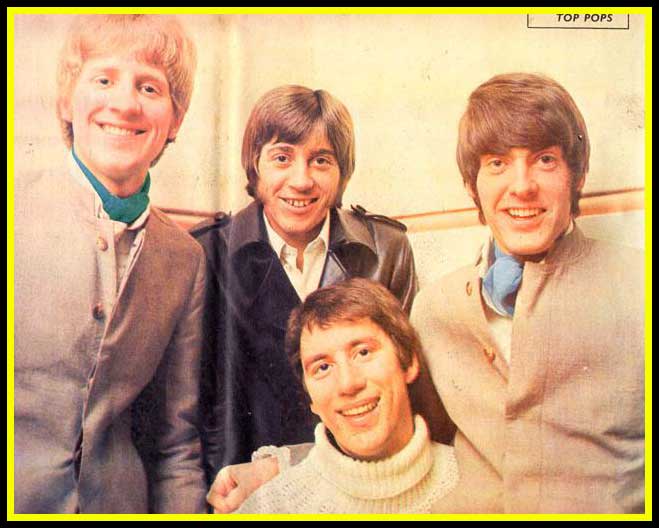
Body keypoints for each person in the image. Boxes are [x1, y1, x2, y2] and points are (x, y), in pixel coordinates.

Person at [412, 72, 645, 513]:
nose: (522, 186)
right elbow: (406, 440)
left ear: (578, 176)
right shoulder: (434, 309)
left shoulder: (638, 284)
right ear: (471, 185)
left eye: (545, 160)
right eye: (497, 163)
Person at [191, 85, 449, 482]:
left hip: (364, 473)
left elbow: (406, 393)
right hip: (245, 484)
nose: (301, 180)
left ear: (342, 171)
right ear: (255, 166)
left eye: (321, 161)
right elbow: (197, 412)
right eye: (282, 158)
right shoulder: (206, 254)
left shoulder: (387, 248)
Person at [14, 15, 207, 513]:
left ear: (175, 119)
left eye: (149, 87)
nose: (124, 104)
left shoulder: (184, 259)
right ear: (66, 100)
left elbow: (175, 446)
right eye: (103, 79)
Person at [234, 279, 458, 513]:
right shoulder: (271, 508)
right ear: (311, 399)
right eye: (323, 367)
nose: (348, 384)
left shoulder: (473, 482)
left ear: (409, 362)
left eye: (363, 353)